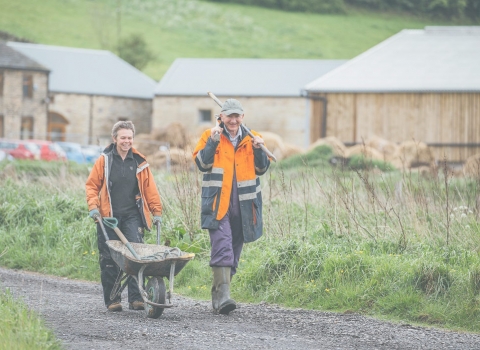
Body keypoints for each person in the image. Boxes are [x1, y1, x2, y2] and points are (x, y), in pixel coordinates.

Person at [193, 98, 270, 314]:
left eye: (237, 116)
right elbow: (202, 164)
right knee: (222, 246)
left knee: (234, 251)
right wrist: (213, 143)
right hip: (218, 202)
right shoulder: (210, 135)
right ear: (222, 117)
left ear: (242, 117)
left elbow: (262, 169)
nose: (233, 120)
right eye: (230, 116)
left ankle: (219, 294)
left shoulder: (253, 138)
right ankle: (225, 295)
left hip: (245, 205)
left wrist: (259, 150)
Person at [86, 121, 162, 312]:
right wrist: (93, 207)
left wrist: (156, 211)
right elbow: (92, 186)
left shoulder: (139, 162)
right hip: (108, 216)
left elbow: (150, 190)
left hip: (132, 216)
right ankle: (112, 300)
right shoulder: (105, 160)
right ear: (115, 139)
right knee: (109, 258)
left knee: (136, 257)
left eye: (129, 138)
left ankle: (136, 298)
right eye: (123, 138)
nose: (126, 141)